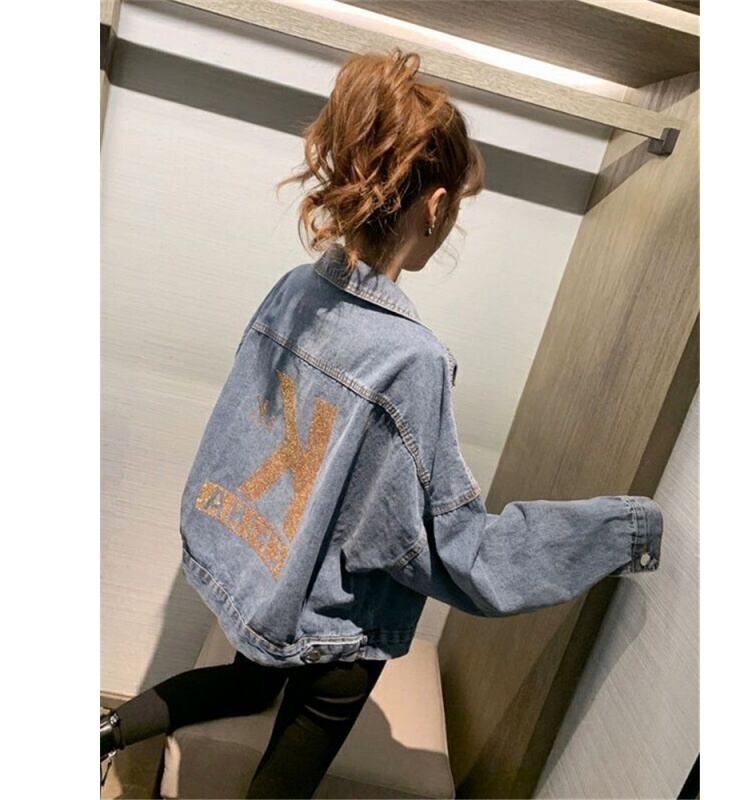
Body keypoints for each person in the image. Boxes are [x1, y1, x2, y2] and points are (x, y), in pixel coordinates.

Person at [101, 48, 664, 798]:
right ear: (436, 208)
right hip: (342, 628)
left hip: (272, 579)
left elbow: (245, 429)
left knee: (245, 683)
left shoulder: (294, 291)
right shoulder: (413, 359)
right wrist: (625, 529)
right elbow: (451, 548)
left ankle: (100, 734)